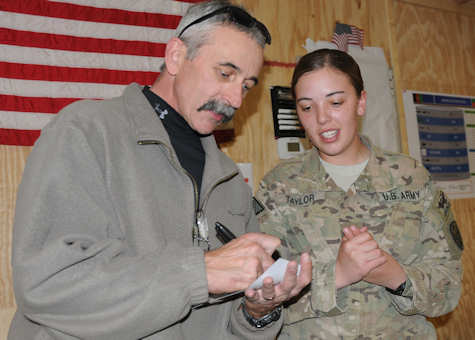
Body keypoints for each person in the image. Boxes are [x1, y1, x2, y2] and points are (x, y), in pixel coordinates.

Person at [8, 1, 311, 339]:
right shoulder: (86, 132)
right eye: (225, 74)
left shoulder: (229, 181)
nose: (236, 99)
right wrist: (201, 273)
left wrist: (257, 312)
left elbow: (225, 325)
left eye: (246, 85)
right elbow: (49, 285)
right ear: (176, 56)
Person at [255, 48, 463, 339]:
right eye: (307, 107)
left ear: (361, 103)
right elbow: (259, 297)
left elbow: (449, 287)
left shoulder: (411, 178)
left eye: (336, 102)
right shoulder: (279, 187)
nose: (322, 118)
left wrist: (394, 276)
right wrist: (337, 274)